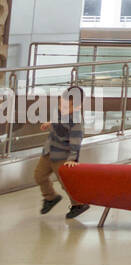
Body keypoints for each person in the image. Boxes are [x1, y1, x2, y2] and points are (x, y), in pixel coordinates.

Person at [35, 86, 89, 219]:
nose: (61, 109)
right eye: (60, 105)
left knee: (66, 183)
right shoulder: (59, 110)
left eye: (65, 107)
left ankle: (78, 204)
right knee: (39, 176)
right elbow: (57, 120)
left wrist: (72, 159)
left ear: (78, 107)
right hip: (49, 151)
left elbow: (76, 142)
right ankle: (50, 197)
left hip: (63, 156)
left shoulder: (76, 122)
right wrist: (49, 123)